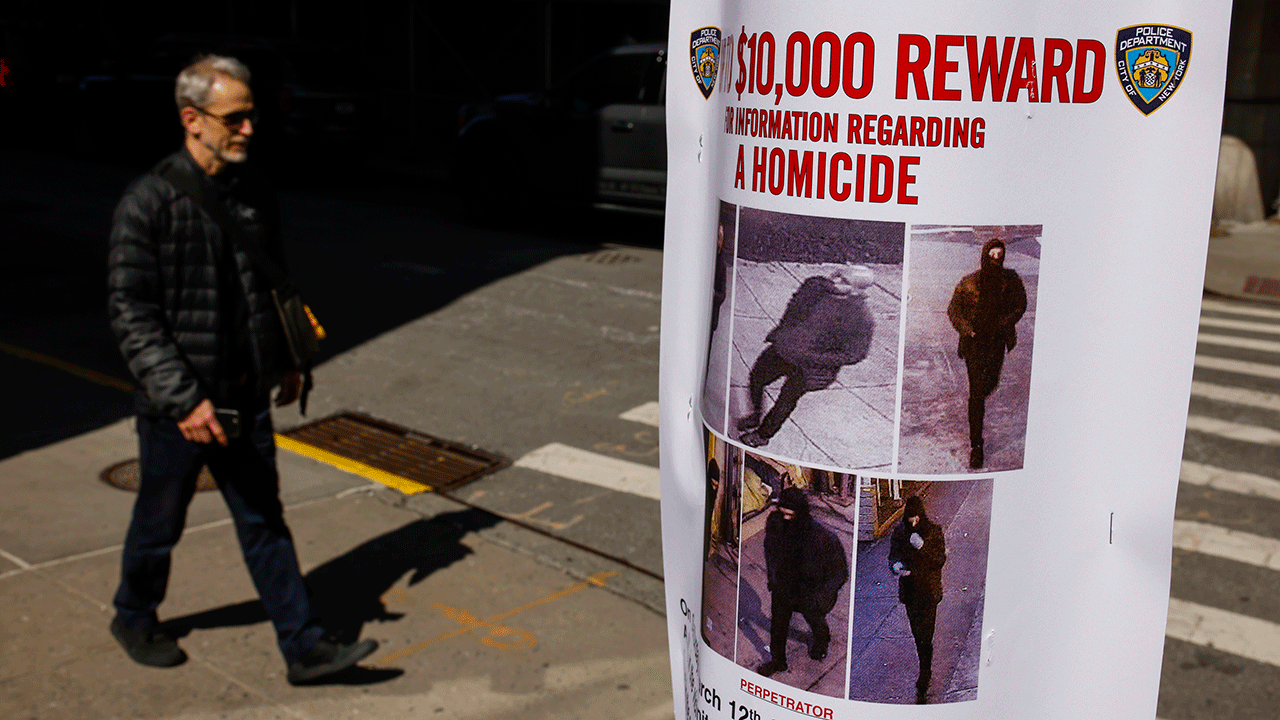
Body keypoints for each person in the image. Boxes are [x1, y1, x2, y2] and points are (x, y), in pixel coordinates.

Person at [106, 55, 376, 684]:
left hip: (246, 394)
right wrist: (181, 399)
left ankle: (303, 647)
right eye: (236, 117)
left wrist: (285, 361)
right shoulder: (147, 202)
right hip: (182, 409)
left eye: (253, 115)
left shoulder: (253, 193)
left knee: (264, 522)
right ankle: (133, 613)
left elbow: (271, 284)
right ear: (192, 119)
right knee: (159, 524)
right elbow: (130, 312)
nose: (250, 129)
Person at [737, 265, 875, 448]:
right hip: (784, 349)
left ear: (857, 290)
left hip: (810, 368)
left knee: (786, 400)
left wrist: (814, 357)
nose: (835, 280)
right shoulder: (815, 286)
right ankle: (755, 414)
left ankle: (763, 435)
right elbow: (794, 304)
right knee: (757, 378)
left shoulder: (861, 317)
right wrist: (784, 331)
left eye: (844, 281)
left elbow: (855, 354)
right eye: (837, 274)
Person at [947, 238, 1027, 469]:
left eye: (999, 256)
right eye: (991, 255)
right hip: (974, 343)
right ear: (984, 255)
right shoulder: (969, 282)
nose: (995, 259)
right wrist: (968, 330)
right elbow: (954, 309)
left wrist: (1004, 324)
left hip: (997, 342)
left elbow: (1020, 304)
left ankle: (982, 394)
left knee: (990, 383)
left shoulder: (1010, 280)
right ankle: (976, 446)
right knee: (977, 395)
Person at [756, 488, 849, 677]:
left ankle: (822, 640)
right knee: (778, 626)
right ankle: (778, 661)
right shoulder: (775, 524)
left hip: (809, 590)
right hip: (783, 586)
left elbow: (840, 571)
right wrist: (773, 577)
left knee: (814, 619)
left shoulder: (821, 536)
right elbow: (770, 550)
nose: (786, 517)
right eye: (783, 512)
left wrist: (824, 594)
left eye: (791, 513)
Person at [888, 495, 946, 704]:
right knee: (917, 634)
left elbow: (939, 560)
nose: (913, 522)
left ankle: (924, 676)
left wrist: (923, 547)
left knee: (925, 636)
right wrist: (896, 567)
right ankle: (925, 669)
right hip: (911, 593)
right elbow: (893, 556)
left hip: (928, 593)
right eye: (910, 518)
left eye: (917, 518)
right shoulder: (899, 532)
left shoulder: (934, 531)